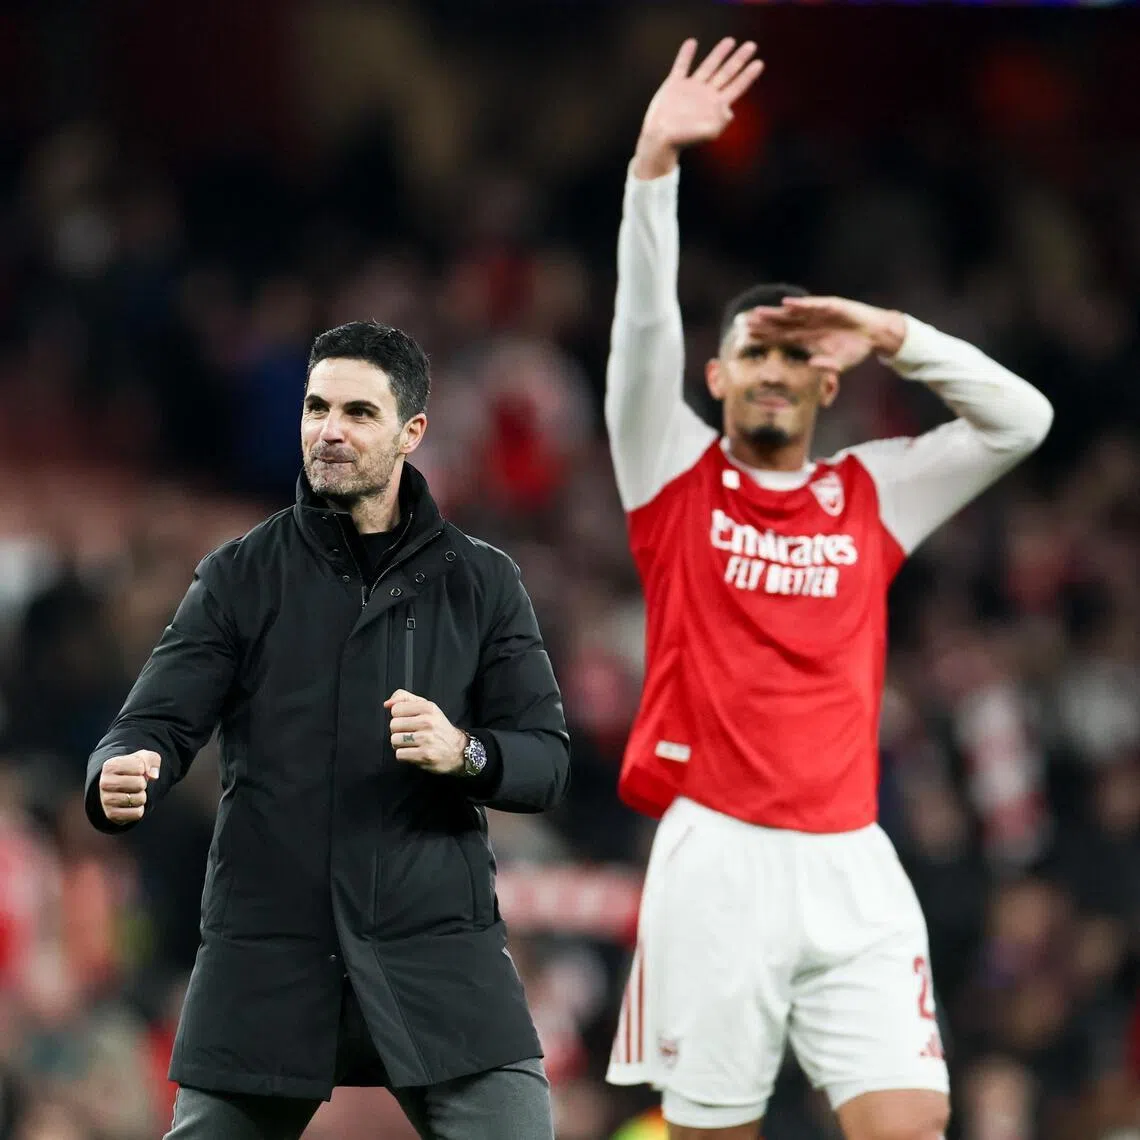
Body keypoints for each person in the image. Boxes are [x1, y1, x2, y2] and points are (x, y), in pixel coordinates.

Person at [604, 38, 1053, 1140]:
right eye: (750, 351)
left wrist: (897, 334)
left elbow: (1022, 421)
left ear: (827, 377)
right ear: (715, 378)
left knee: (911, 1125)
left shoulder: (873, 493)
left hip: (854, 860)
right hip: (718, 858)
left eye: (793, 354)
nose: (768, 369)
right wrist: (653, 164)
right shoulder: (668, 472)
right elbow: (643, 327)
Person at [84, 321, 570, 1140]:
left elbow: (544, 760)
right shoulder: (241, 573)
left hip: (436, 956)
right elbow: (150, 724)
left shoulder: (482, 582)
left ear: (411, 432)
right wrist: (120, 769)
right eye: (315, 408)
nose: (329, 430)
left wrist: (466, 751)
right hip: (271, 954)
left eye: (357, 412)